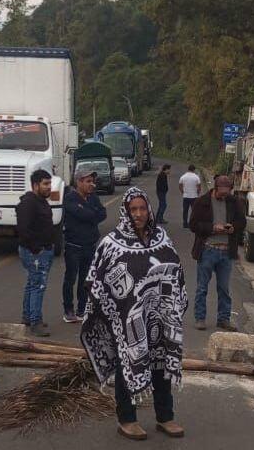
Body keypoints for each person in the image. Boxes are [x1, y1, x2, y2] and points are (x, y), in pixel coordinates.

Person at [81, 187, 188, 440]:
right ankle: (126, 419)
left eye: (142, 208)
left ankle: (165, 417)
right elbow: (95, 281)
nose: (138, 214)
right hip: (125, 319)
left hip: (160, 317)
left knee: (161, 364)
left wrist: (173, 303)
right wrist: (111, 314)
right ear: (125, 212)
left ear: (149, 210)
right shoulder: (110, 244)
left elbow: (176, 271)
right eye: (133, 209)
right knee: (127, 364)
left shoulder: (162, 237)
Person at [189, 175, 246, 332]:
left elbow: (242, 222)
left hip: (226, 251)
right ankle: (200, 318)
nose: (224, 195)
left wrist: (233, 227)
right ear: (215, 188)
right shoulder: (202, 202)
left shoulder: (234, 202)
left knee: (224, 288)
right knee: (202, 287)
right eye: (221, 192)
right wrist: (213, 228)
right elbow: (193, 224)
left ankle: (224, 319)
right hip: (207, 249)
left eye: (227, 192)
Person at [62, 167, 107, 323]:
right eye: (88, 181)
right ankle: (68, 309)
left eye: (92, 181)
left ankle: (82, 309)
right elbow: (85, 214)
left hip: (90, 245)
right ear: (79, 182)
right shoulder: (70, 198)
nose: (92, 184)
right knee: (70, 279)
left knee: (85, 280)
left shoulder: (93, 197)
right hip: (74, 246)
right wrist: (91, 214)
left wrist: (90, 213)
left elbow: (102, 214)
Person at [16, 169, 55, 337]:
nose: (49, 187)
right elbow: (23, 230)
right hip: (35, 253)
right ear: (35, 185)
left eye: (49, 183)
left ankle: (27, 316)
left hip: (42, 250)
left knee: (32, 283)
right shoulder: (28, 203)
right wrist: (36, 249)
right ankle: (35, 322)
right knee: (38, 285)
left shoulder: (41, 201)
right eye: (45, 184)